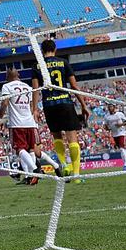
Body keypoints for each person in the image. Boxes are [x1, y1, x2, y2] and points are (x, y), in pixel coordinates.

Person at [34, 39, 85, 182]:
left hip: (49, 105)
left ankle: (64, 165)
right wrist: (83, 105)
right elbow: (74, 86)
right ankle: (76, 175)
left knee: (57, 137)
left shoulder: (37, 66)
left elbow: (36, 90)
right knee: (72, 139)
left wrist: (34, 109)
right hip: (65, 103)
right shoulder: (63, 62)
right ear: (55, 49)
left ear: (42, 50)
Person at [0, 69, 41, 186]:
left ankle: (35, 170)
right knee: (31, 149)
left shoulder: (7, 86)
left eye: (6, 75)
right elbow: (31, 106)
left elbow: (5, 103)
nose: (5, 77)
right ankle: (29, 177)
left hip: (17, 123)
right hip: (29, 122)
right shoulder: (27, 86)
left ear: (9, 76)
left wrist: (0, 118)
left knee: (20, 149)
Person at [103, 104, 126, 170]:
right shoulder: (106, 116)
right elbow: (106, 125)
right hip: (114, 133)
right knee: (122, 149)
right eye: (109, 107)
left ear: (114, 108)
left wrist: (120, 125)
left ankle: (125, 165)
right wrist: (107, 128)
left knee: (121, 148)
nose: (109, 108)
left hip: (121, 132)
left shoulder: (119, 114)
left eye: (111, 107)